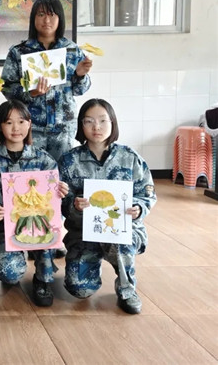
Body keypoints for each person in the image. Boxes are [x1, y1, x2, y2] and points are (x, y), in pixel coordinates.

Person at [58, 99, 156, 314]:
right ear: (81, 125)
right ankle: (93, 265)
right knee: (79, 289)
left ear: (113, 123)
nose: (97, 127)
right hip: (84, 232)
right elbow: (60, 202)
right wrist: (74, 205)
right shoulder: (69, 161)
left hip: (122, 231)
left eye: (103, 121)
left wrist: (138, 208)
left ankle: (127, 289)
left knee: (121, 241)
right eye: (89, 121)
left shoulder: (129, 158)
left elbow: (147, 193)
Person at [0, 100, 69, 307]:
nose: (16, 128)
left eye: (21, 121)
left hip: (38, 228)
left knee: (44, 231)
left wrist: (61, 193)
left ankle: (43, 279)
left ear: (29, 124)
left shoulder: (44, 159)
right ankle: (14, 262)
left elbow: (53, 204)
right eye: (9, 122)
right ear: (0, 126)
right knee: (8, 272)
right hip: (2, 230)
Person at [0, 0, 92, 161]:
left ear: (60, 18)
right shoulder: (19, 52)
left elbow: (80, 90)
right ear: (33, 18)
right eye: (41, 15)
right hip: (31, 127)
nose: (46, 20)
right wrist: (31, 93)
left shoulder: (72, 50)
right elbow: (6, 88)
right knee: (32, 171)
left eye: (52, 15)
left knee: (61, 172)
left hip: (63, 127)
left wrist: (80, 75)